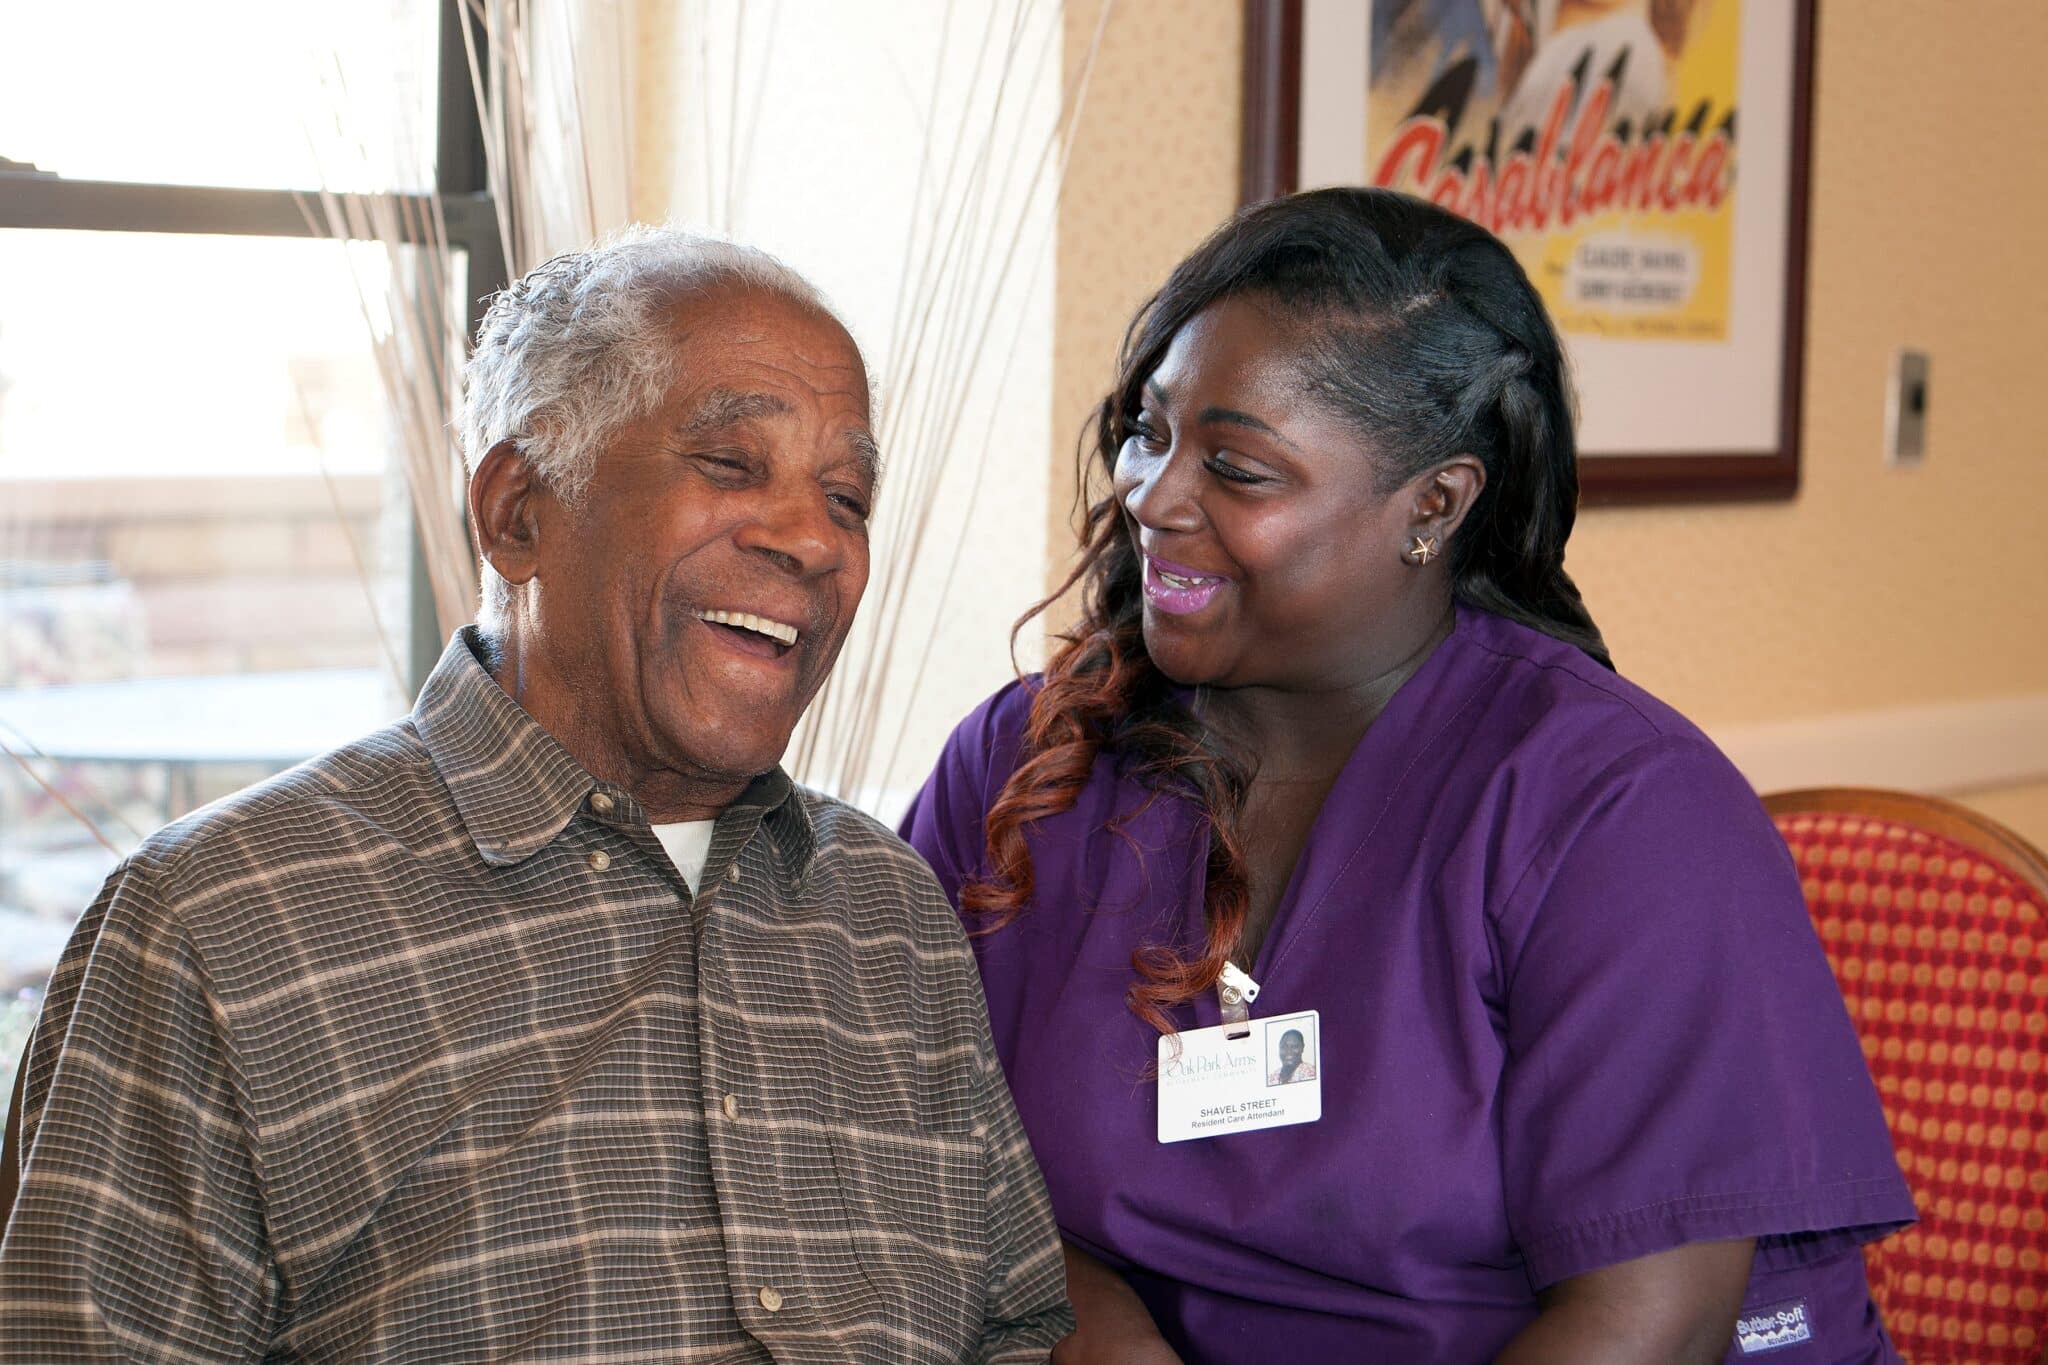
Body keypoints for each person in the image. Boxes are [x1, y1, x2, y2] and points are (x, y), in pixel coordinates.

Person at [0, 228, 1072, 1362]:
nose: (813, 540)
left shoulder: (887, 914)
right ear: (517, 511)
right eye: (730, 463)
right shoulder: (221, 924)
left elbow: (1015, 1328)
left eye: (846, 497)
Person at [903, 189, 1914, 1364]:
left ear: (1431, 506)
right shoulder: (1031, 765)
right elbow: (915, 1150)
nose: (1152, 494)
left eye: (1236, 466)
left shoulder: (1619, 813)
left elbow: (1647, 1328)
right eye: (1147, 429)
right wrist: (1095, 1324)